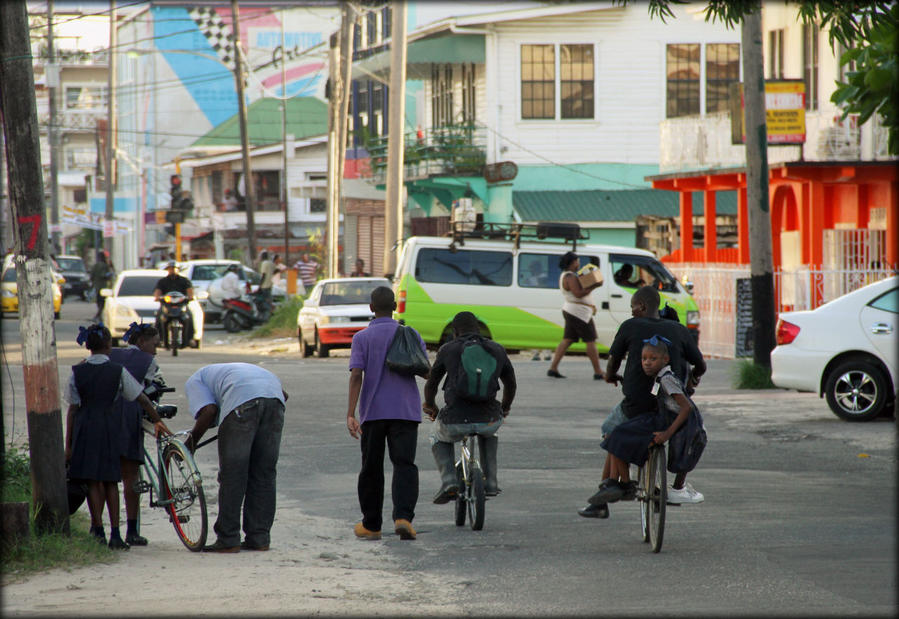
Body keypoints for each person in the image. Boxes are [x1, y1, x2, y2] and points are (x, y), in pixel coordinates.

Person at [577, 285, 705, 518]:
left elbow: (613, 361)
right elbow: (701, 365)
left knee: (610, 430)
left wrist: (610, 376)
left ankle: (606, 492)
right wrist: (690, 384)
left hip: (638, 404)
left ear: (642, 306)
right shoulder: (678, 329)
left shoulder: (629, 326)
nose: (632, 312)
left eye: (633, 308)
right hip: (670, 408)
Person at [65, 323, 170, 550]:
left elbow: (73, 408)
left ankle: (98, 529)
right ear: (109, 345)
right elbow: (142, 396)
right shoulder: (127, 367)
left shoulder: (79, 369)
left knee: (95, 480)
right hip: (116, 425)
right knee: (120, 478)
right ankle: (123, 532)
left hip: (87, 428)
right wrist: (158, 420)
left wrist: (68, 444)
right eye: (155, 344)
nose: (156, 349)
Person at [346, 286, 425, 541]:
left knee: (371, 468)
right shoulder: (411, 334)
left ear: (371, 308)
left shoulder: (362, 338)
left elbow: (357, 375)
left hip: (373, 413)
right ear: (394, 307)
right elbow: (426, 371)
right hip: (405, 411)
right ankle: (403, 518)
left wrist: (350, 413)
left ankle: (371, 525)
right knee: (405, 465)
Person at [183, 363, 287, 552]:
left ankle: (228, 538)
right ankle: (259, 537)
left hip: (242, 405)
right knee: (264, 474)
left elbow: (209, 411)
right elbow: (283, 395)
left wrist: (191, 443)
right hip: (275, 402)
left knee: (233, 474)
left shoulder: (195, 380)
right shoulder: (233, 372)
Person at [423, 311, 516, 503]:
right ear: (479, 330)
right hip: (490, 419)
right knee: (490, 432)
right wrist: (504, 409)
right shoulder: (497, 349)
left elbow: (431, 383)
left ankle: (449, 480)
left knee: (436, 436)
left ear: (455, 332)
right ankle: (490, 481)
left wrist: (431, 406)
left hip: (455, 420)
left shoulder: (448, 349)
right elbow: (511, 384)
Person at [590, 336, 696, 503]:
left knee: (616, 433)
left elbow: (687, 407)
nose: (647, 363)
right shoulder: (660, 376)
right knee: (618, 433)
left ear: (665, 359)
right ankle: (615, 482)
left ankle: (624, 483)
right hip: (660, 418)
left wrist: (666, 434)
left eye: (653, 359)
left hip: (665, 422)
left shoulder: (667, 379)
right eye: (644, 358)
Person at [109, 322, 164, 546]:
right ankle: (132, 530)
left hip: (104, 417)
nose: (156, 350)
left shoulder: (110, 353)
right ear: (142, 342)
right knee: (130, 474)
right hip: (128, 417)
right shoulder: (148, 361)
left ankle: (104, 531)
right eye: (155, 344)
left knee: (105, 478)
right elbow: (153, 389)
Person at [547, 251, 604, 380]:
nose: (578, 264)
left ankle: (553, 368)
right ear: (572, 263)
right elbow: (578, 293)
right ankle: (598, 371)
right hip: (579, 313)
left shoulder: (566, 275)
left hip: (573, 310)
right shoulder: (570, 277)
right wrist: (595, 285)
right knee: (590, 340)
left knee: (567, 339)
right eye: (577, 261)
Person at [153, 262, 194, 348]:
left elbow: (190, 291)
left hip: (181, 305)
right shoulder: (162, 281)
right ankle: (159, 339)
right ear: (168, 270)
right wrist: (158, 297)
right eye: (170, 268)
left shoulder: (184, 280)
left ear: (178, 269)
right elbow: (158, 292)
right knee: (159, 316)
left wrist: (190, 297)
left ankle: (190, 338)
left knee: (189, 316)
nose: (172, 270)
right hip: (167, 305)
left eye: (174, 268)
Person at [89, 250, 114, 321]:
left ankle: (98, 316)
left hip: (97, 287)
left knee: (99, 302)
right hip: (103, 287)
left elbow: (91, 276)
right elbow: (105, 275)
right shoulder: (104, 265)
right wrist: (110, 273)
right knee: (102, 303)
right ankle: (98, 316)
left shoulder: (95, 265)